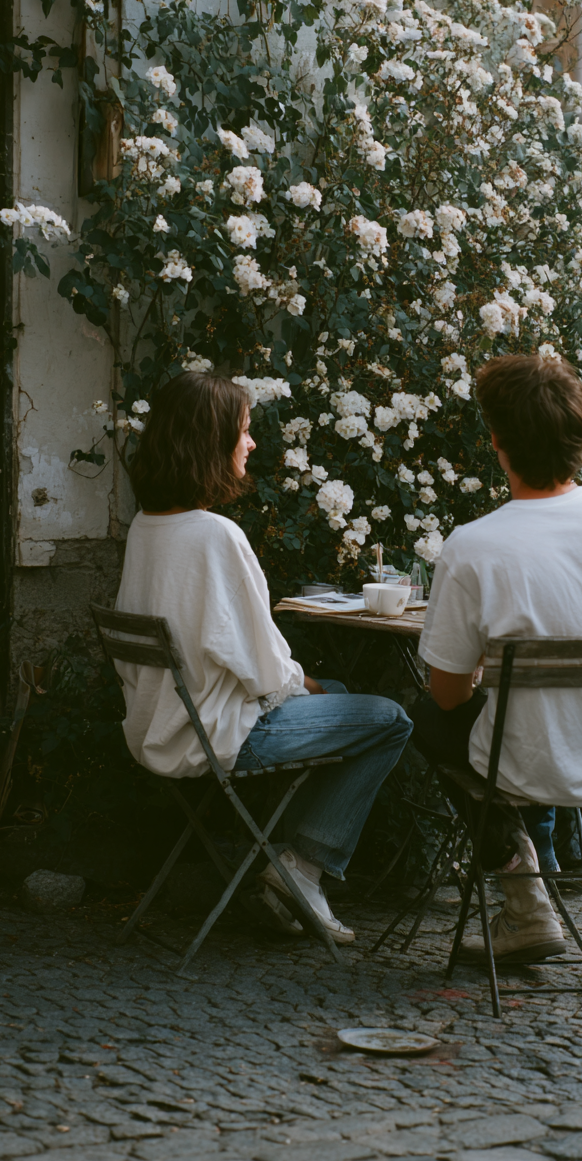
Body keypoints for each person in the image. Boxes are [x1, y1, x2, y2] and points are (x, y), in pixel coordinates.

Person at [114, 372, 412, 945]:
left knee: (345, 697)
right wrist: (304, 684)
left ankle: (287, 872)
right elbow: (265, 670)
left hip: (159, 726)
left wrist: (307, 684)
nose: (251, 444)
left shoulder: (147, 527)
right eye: (244, 432)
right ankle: (300, 869)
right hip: (220, 734)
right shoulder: (215, 536)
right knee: (390, 719)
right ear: (209, 440)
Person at [413, 353, 582, 964]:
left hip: (530, 767)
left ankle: (525, 895)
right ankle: (541, 882)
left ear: (499, 444)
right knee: (527, 721)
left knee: (425, 718)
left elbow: (447, 696)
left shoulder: (475, 546)